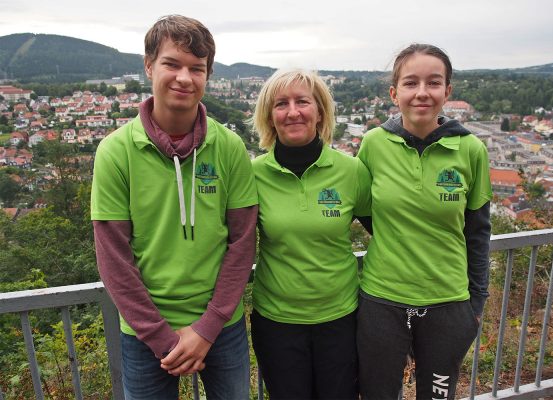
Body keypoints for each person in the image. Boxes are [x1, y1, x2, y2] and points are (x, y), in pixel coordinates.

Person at [90, 15, 258, 400]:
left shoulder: (228, 146)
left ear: (208, 76)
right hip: (145, 329)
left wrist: (208, 327)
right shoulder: (116, 151)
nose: (184, 77)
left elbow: (243, 242)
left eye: (196, 68)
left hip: (222, 324)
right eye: (172, 64)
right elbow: (113, 256)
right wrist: (162, 338)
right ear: (149, 65)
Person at [356, 44, 492, 400]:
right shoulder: (372, 144)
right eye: (410, 82)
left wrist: (475, 305)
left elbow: (478, 232)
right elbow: (367, 211)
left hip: (447, 301)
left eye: (433, 83)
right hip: (382, 300)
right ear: (394, 93)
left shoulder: (471, 150)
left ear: (447, 91)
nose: (421, 92)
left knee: (436, 396)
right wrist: (399, 237)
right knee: (378, 394)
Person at [250, 69, 371, 400]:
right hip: (276, 322)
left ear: (319, 112)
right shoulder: (252, 175)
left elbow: (387, 236)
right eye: (281, 104)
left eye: (302, 101)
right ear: (269, 117)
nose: (293, 112)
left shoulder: (351, 171)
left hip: (341, 319)